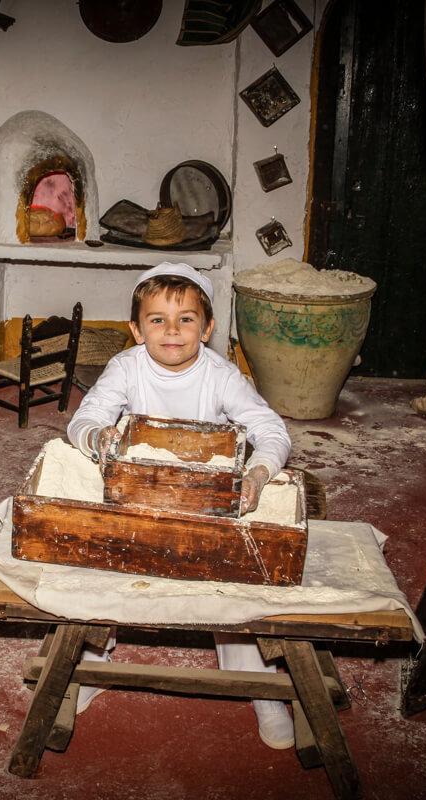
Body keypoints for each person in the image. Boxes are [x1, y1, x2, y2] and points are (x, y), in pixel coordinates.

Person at [65, 262, 296, 749]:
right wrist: (97, 438)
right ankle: (95, 659)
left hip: (203, 500)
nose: (172, 331)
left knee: (232, 574)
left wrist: (257, 473)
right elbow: (83, 419)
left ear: (207, 328)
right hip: (137, 493)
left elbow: (270, 429)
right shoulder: (126, 367)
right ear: (135, 328)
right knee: (101, 559)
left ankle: (253, 680)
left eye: (186, 319)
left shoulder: (220, 374)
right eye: (157, 320)